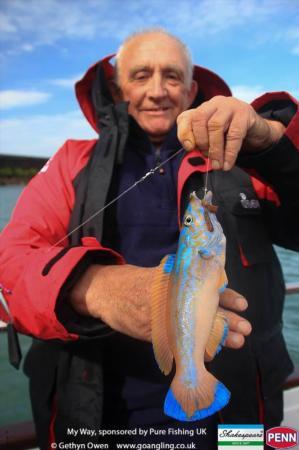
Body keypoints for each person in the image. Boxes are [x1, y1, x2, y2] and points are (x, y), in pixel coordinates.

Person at [0, 28, 298, 449]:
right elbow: (9, 264)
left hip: (239, 416)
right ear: (120, 87)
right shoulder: (71, 160)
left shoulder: (245, 160)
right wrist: (92, 287)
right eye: (141, 75)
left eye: (172, 76)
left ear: (192, 88)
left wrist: (274, 146)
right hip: (99, 422)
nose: (157, 91)